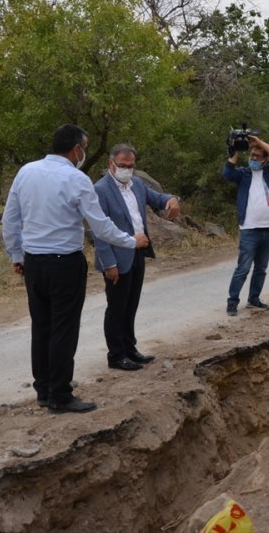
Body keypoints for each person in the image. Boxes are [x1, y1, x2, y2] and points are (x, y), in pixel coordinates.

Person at [2, 124, 149, 414]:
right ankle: (60, 394)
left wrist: (16, 254)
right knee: (63, 330)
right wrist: (131, 241)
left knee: (41, 326)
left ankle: (43, 390)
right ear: (77, 150)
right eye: (85, 147)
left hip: (34, 262)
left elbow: (10, 219)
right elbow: (100, 225)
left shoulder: (26, 172)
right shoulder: (77, 179)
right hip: (64, 263)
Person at [93, 144, 181, 371]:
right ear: (111, 164)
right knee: (116, 306)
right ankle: (116, 355)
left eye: (130, 166)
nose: (126, 170)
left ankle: (130, 348)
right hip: (116, 257)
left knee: (131, 304)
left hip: (137, 253)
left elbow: (158, 198)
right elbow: (99, 232)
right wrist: (108, 263)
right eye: (122, 166)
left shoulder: (137, 184)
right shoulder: (101, 190)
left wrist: (172, 199)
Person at [223, 134, 269, 316]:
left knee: (261, 268)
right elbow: (227, 172)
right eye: (252, 156)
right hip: (249, 229)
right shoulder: (243, 175)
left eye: (258, 156)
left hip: (268, 229)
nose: (254, 159)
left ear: (265, 160)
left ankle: (254, 299)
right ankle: (232, 302)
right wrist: (235, 151)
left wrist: (259, 142)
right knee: (243, 268)